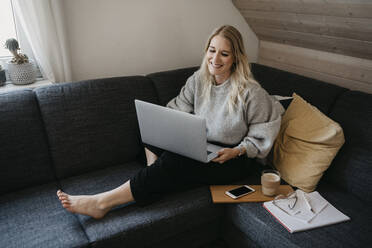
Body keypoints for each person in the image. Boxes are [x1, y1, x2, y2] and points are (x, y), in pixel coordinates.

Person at [57, 25, 284, 219]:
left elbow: (262, 133)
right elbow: (175, 109)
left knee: (175, 161)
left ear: (236, 57)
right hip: (202, 146)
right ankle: (155, 175)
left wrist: (236, 151)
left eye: (224, 54)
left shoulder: (251, 92)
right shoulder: (199, 80)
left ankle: (101, 203)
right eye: (212, 51)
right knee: (146, 131)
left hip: (233, 159)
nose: (215, 59)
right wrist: (165, 130)